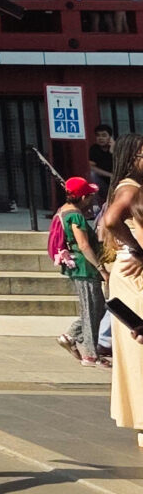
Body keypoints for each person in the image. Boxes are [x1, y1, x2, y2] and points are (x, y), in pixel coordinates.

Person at [104, 135, 143, 445]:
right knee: (138, 347)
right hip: (134, 273)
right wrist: (138, 248)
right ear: (133, 156)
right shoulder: (131, 186)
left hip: (130, 271)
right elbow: (111, 219)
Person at [56, 176, 108, 365]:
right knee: (91, 309)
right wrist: (101, 269)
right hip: (84, 268)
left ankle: (70, 336)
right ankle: (90, 354)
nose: (93, 198)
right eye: (90, 194)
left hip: (77, 266)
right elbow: (84, 245)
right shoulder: (76, 216)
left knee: (97, 308)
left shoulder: (63, 211)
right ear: (83, 196)